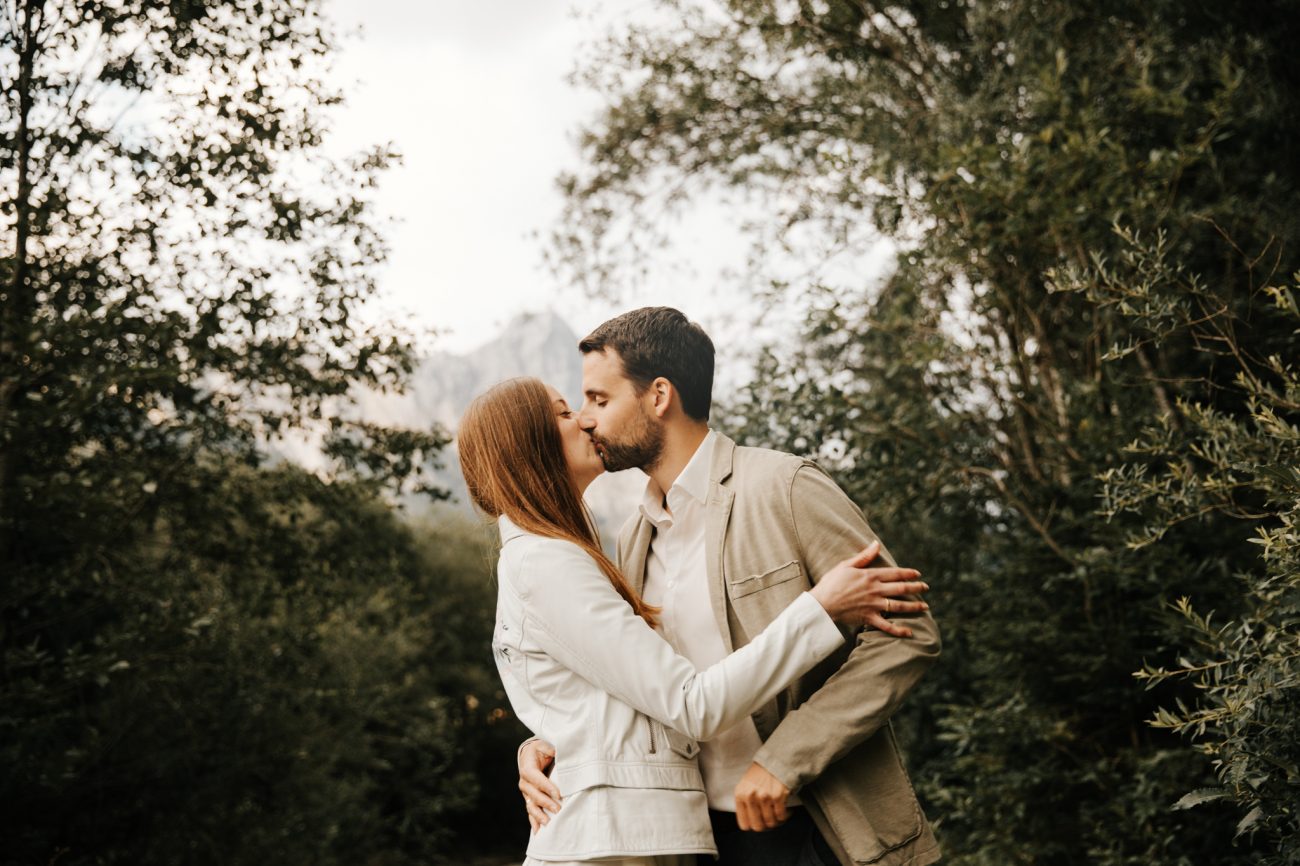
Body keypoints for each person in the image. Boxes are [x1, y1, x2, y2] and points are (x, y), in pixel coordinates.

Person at [518, 307, 942, 866]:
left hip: (827, 827)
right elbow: (641, 683)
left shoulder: (785, 488)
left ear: (659, 395)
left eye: (599, 399)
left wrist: (786, 758)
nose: (588, 420)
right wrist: (546, 745)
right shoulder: (632, 538)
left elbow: (908, 632)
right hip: (701, 841)